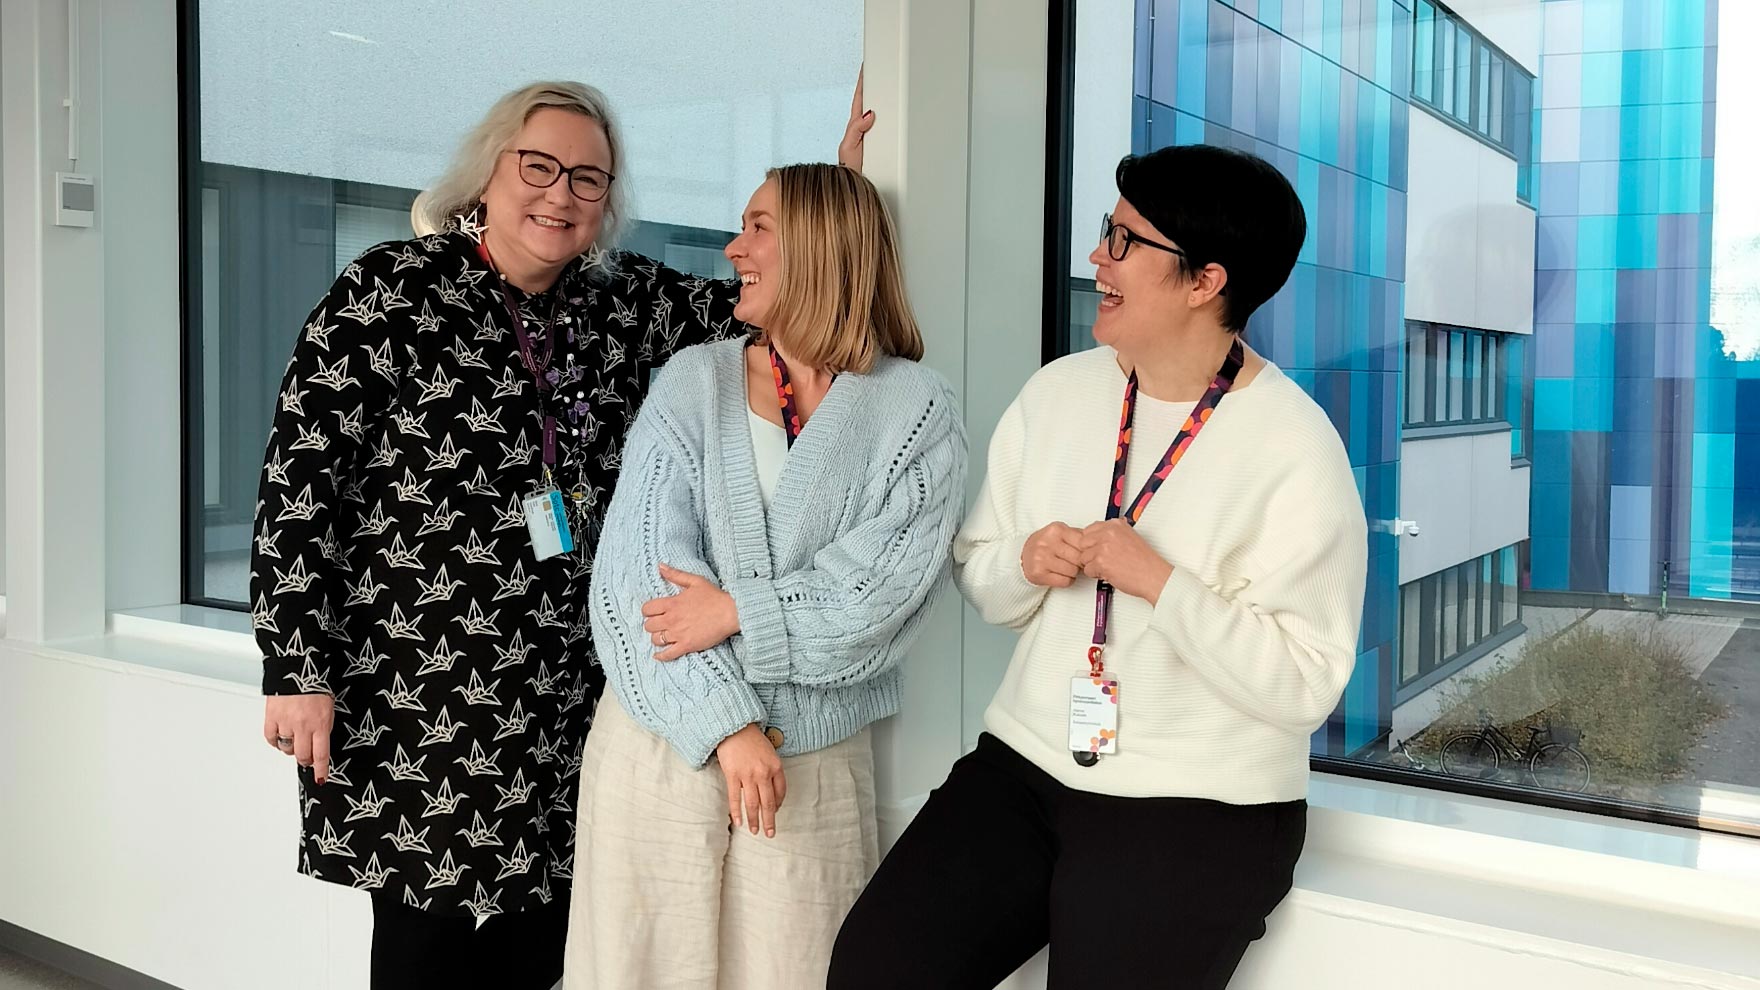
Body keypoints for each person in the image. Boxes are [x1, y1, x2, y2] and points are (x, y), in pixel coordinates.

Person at [252, 81, 872, 990]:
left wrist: (842, 189)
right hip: (422, 687)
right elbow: (300, 482)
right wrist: (297, 667)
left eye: (588, 178)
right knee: (428, 942)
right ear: (488, 171)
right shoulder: (389, 291)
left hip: (568, 689)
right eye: (538, 167)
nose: (560, 195)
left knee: (548, 937)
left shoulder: (626, 300)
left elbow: (770, 296)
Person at [828, 144, 1368, 989]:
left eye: (1124, 241)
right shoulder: (1060, 392)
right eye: (1105, 232)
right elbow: (981, 572)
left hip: (1202, 804)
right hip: (1026, 764)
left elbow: (1305, 681)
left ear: (1206, 281)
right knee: (873, 971)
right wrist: (1026, 564)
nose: (1097, 258)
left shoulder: (1296, 448)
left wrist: (1160, 582)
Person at [563, 163, 967, 990]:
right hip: (660, 740)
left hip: (813, 770)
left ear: (818, 247)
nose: (733, 248)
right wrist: (727, 724)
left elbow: (880, 600)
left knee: (799, 974)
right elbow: (640, 580)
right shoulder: (694, 381)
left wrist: (735, 610)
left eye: (758, 227)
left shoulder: (917, 411)